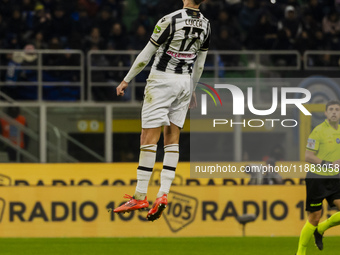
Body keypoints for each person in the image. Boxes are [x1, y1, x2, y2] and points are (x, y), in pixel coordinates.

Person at [113, 0, 210, 221]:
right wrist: (192, 89)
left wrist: (126, 80)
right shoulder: (206, 24)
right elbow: (201, 64)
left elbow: (145, 55)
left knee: (148, 138)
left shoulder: (170, 19)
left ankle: (140, 195)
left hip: (162, 81)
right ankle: (163, 194)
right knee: (172, 139)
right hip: (185, 83)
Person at [296, 100, 340, 255]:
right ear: (326, 113)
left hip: (335, 178)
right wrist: (328, 163)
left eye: (337, 110)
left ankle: (321, 229)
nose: (334, 112)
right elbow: (308, 156)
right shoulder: (318, 131)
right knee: (315, 217)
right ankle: (301, 252)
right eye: (331, 110)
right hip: (317, 178)